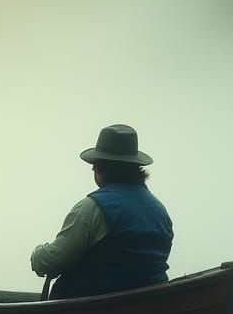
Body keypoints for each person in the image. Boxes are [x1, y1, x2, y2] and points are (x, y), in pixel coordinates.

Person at [31, 124, 173, 299]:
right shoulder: (159, 210)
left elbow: (52, 261)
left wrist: (38, 254)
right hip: (150, 307)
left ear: (99, 169)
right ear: (136, 168)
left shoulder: (91, 208)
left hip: (88, 313)